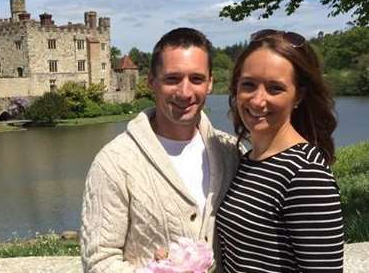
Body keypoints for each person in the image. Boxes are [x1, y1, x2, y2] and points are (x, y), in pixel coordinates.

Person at [80, 27, 241, 272]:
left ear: (210, 83)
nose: (185, 92)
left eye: (196, 79)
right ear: (151, 82)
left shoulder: (232, 152)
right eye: (172, 79)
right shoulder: (114, 163)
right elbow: (98, 262)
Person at [216, 29, 344, 272]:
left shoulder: (305, 173)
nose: (257, 100)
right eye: (248, 85)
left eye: (275, 88)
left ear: (298, 96)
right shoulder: (247, 161)